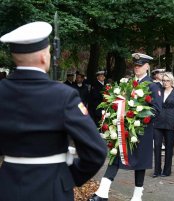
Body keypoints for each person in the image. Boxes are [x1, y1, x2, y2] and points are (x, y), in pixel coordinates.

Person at [0, 21, 107, 201]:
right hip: (51, 187)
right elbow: (96, 150)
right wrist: (70, 176)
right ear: (44, 56)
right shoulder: (63, 95)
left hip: (8, 185)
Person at [89, 53, 162, 201]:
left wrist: (137, 116)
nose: (137, 68)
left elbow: (157, 110)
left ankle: (137, 196)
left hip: (141, 131)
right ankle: (102, 192)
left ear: (147, 67)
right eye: (135, 65)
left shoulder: (153, 86)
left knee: (140, 163)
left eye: (140, 65)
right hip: (123, 130)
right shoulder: (127, 84)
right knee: (115, 157)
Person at [153, 72, 174, 177]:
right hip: (157, 122)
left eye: (167, 80)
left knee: (169, 147)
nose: (165, 83)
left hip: (171, 122)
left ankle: (167, 171)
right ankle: (156, 170)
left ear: (171, 81)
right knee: (157, 147)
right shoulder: (159, 90)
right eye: (163, 80)